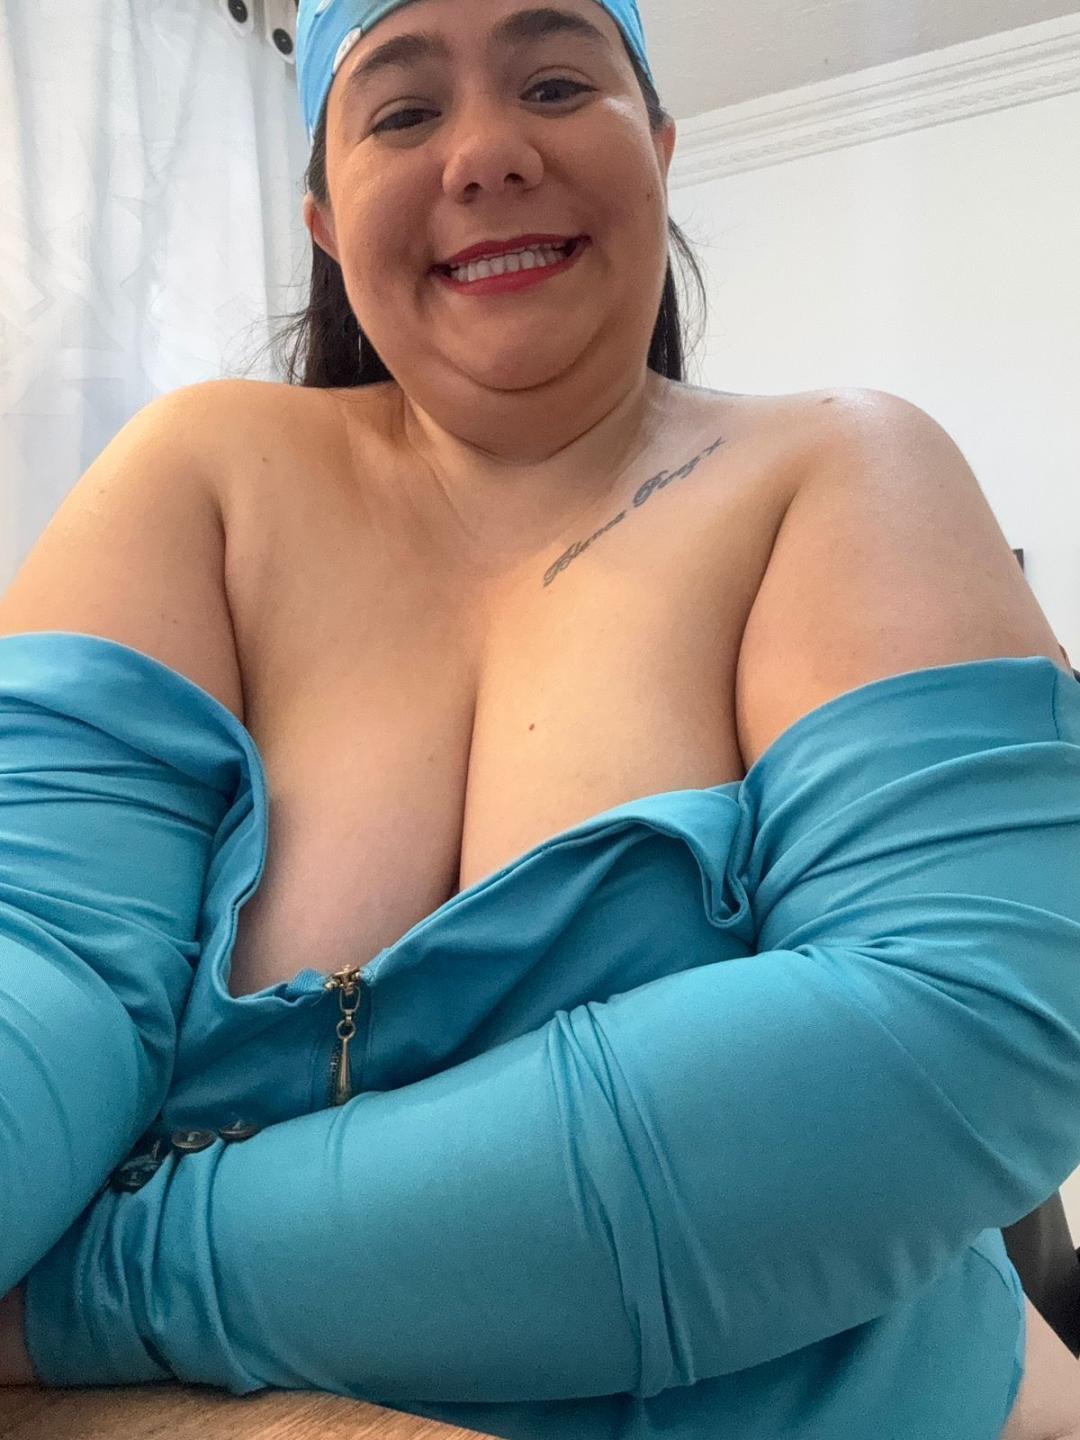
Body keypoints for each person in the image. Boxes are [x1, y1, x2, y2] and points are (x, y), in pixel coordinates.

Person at [1, 1, 1079, 1435]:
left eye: (557, 82)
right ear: (325, 219)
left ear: (661, 148)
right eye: (403, 111)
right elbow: (44, 961)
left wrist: (101, 1290)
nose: (488, 153)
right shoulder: (200, 479)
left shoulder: (843, 468)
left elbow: (948, 1032)